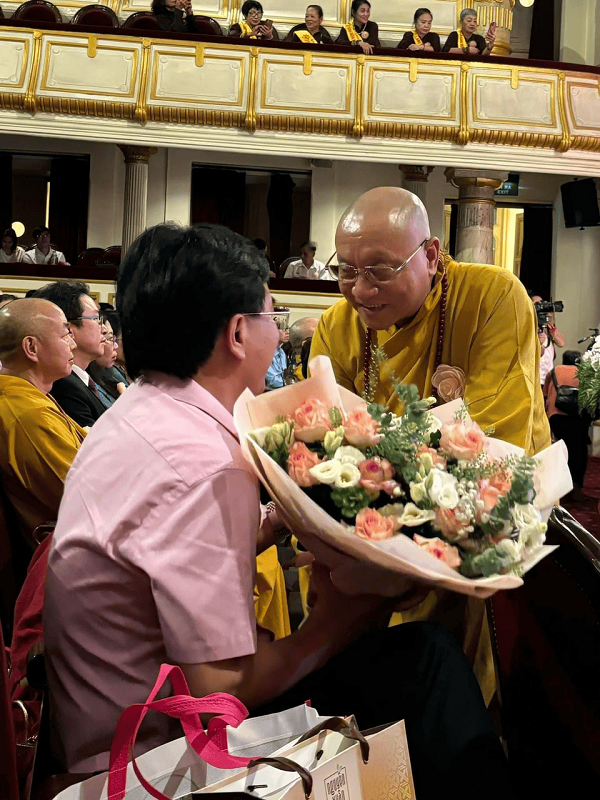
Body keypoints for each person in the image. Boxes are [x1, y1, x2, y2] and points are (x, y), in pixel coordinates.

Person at [44, 222, 512, 800]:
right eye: (273, 312)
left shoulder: (142, 413)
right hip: (155, 755)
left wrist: (269, 525)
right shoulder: (203, 465)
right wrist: (350, 609)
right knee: (427, 664)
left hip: (106, 717)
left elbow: (155, 562)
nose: (279, 328)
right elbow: (220, 688)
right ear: (239, 333)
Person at [310, 186, 551, 703]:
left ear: (433, 255)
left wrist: (378, 461)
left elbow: (489, 444)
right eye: (346, 271)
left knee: (458, 697)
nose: (359, 291)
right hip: (367, 547)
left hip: (469, 541)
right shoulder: (337, 326)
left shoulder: (491, 298)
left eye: (379, 270)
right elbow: (327, 447)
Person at [0, 298, 84, 550]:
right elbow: (88, 499)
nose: (73, 344)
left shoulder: (33, 397)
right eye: (65, 335)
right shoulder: (26, 415)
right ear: (31, 348)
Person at [32, 280, 107, 427]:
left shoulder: (83, 377)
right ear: (68, 328)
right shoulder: (63, 385)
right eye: (96, 319)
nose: (103, 329)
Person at [544, 350, 589, 501]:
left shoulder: (555, 371)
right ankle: (576, 488)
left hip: (557, 416)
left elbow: (544, 394)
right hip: (578, 417)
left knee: (559, 449)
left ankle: (558, 490)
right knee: (579, 450)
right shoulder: (585, 372)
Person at [532, 294, 565, 388]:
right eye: (537, 305)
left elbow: (561, 343)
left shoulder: (548, 328)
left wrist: (552, 323)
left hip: (547, 378)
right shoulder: (529, 326)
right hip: (535, 377)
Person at [86, 319, 120, 409]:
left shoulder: (113, 372)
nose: (115, 346)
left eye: (113, 339)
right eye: (109, 339)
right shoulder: (82, 382)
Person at [265, 306, 290, 389]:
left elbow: (285, 374)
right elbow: (273, 381)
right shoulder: (265, 352)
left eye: (287, 328)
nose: (287, 332)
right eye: (282, 328)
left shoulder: (281, 352)